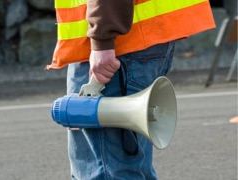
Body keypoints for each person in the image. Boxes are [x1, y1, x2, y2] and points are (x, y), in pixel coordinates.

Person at [47, 0, 215, 179]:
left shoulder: (106, 40)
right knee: (129, 167)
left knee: (107, 171)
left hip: (118, 44)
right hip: (139, 37)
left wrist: (102, 38)